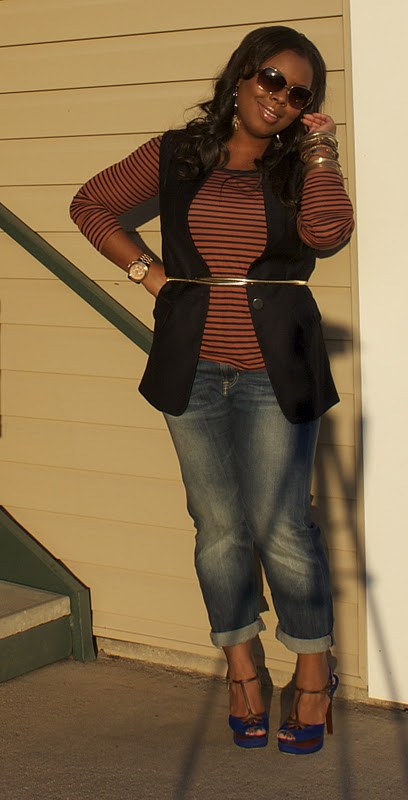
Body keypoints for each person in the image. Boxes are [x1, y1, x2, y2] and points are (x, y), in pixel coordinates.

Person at [70, 25, 354, 755]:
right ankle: (243, 669)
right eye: (272, 79)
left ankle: (314, 674)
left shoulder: (298, 164)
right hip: (192, 369)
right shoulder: (176, 153)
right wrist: (149, 274)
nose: (281, 98)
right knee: (219, 528)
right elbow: (91, 204)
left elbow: (328, 234)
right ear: (242, 75)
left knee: (283, 528)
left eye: (299, 94)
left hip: (275, 370)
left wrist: (322, 150)